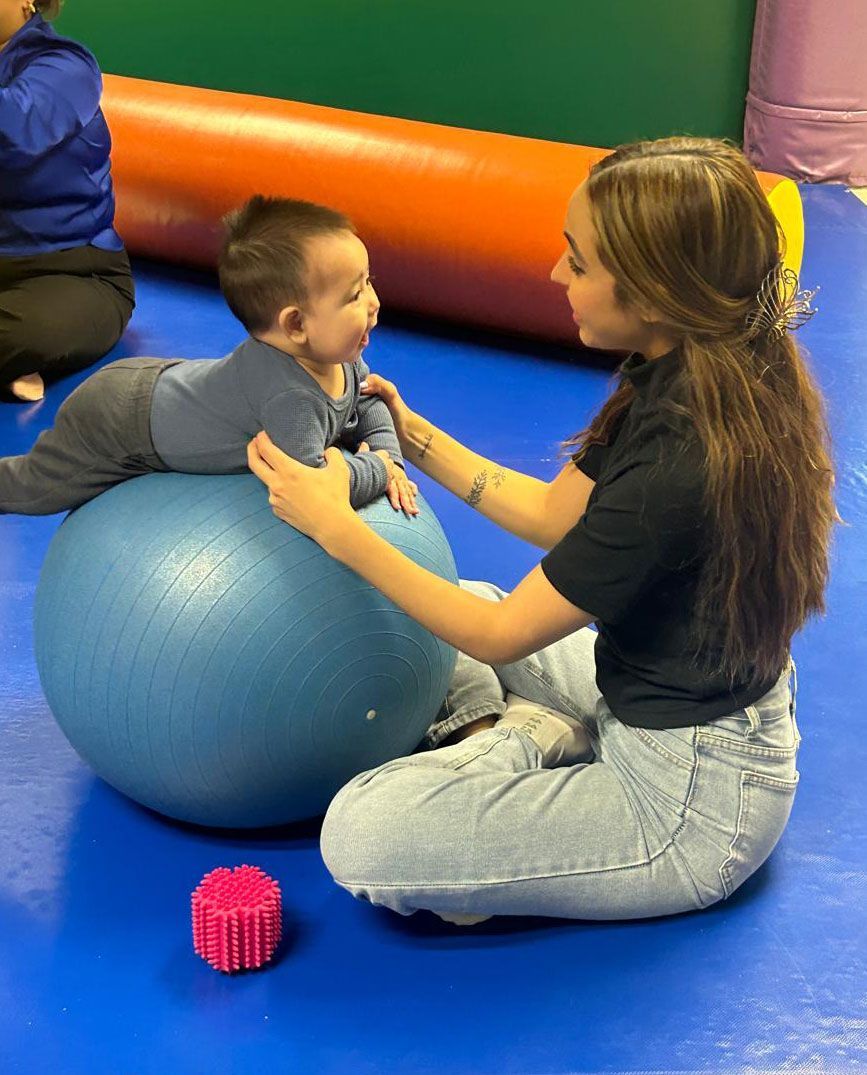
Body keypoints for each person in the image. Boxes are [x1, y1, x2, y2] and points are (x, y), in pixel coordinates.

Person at [246, 136, 837, 925]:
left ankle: (523, 736)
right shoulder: (691, 360)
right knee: (450, 601)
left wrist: (333, 526)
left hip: (688, 801)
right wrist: (409, 434)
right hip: (647, 694)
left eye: (579, 263)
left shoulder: (682, 462)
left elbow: (498, 636)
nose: (557, 273)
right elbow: (553, 515)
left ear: (653, 292)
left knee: (361, 832)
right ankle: (538, 731)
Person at [0, 196, 418, 516]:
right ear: (295, 325)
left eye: (369, 281)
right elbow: (313, 488)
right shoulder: (292, 399)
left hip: (156, 385)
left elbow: (369, 402)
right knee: (34, 488)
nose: (374, 302)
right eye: (355, 294)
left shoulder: (338, 356)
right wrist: (378, 469)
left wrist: (391, 459)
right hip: (119, 423)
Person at [0, 0, 135, 402]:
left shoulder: (67, 66)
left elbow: (15, 131)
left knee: (21, 332)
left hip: (74, 273)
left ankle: (17, 356)